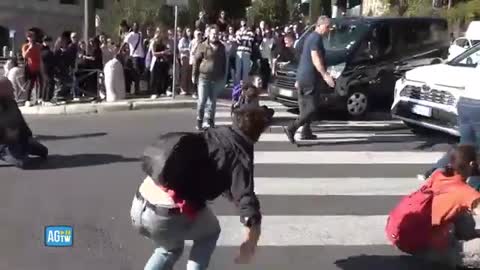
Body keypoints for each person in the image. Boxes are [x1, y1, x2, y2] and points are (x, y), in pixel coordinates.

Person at [130, 104, 268, 270]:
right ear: (259, 133)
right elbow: (247, 203)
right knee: (210, 233)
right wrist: (250, 242)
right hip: (164, 215)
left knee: (169, 249)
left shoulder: (214, 133)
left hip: (140, 203)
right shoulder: (240, 154)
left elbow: (216, 170)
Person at [405, 145, 480, 268]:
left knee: (462, 213)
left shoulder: (439, 174)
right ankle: (450, 255)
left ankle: (460, 240)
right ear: (472, 164)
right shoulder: (466, 193)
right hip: (436, 250)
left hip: (412, 241)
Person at [283, 16, 335, 143]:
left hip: (303, 76)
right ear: (319, 25)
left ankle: (306, 131)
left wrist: (298, 78)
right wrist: (325, 75)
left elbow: (303, 57)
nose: (329, 30)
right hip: (310, 78)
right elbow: (315, 58)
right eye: (327, 27)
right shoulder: (316, 38)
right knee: (311, 109)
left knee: (304, 107)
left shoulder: (310, 37)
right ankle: (291, 128)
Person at [0, 78, 48, 169]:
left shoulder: (12, 103)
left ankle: (21, 150)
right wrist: (5, 135)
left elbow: (21, 122)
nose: (13, 90)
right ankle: (3, 153)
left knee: (43, 151)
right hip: (3, 143)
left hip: (18, 139)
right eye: (10, 88)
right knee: (22, 162)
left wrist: (27, 136)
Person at [192, 26, 227, 130]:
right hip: (203, 78)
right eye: (213, 33)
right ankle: (199, 120)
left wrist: (223, 75)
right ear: (208, 34)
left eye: (217, 33)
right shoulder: (202, 46)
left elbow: (224, 62)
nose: (215, 35)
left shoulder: (221, 47)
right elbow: (196, 61)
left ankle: (210, 121)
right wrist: (194, 75)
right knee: (202, 100)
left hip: (215, 79)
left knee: (212, 102)